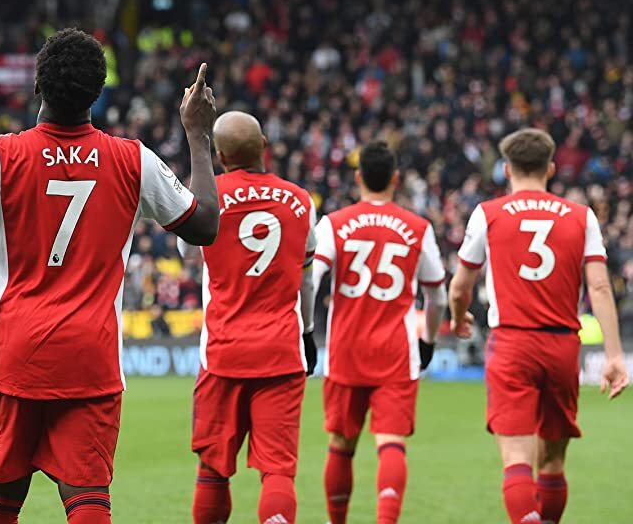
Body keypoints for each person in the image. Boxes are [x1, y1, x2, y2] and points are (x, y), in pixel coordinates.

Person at [0, 27, 220, 523]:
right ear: (99, 93)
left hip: (16, 358)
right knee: (89, 504)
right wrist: (199, 135)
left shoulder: (0, 156)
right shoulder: (132, 160)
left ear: (37, 86)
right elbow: (205, 225)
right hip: (91, 361)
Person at [448, 128, 629, 524]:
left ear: (507, 170)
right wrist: (614, 355)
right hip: (563, 346)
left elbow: (461, 284)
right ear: (550, 168)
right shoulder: (582, 217)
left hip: (512, 342)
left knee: (516, 461)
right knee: (552, 462)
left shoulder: (488, 213)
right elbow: (599, 285)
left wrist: (458, 314)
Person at [183, 111, 318, 524]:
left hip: (223, 351)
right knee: (277, 469)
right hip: (281, 350)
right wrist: (308, 332)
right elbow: (306, 281)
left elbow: (190, 254)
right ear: (265, 147)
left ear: (220, 156)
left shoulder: (208, 200)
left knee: (213, 469)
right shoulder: (301, 200)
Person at [310, 141, 447, 524]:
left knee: (341, 444)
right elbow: (436, 296)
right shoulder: (418, 228)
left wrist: (305, 329)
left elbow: (310, 279)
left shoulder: (333, 224)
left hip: (345, 350)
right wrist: (429, 340)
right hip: (396, 353)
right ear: (396, 179)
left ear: (358, 178)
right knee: (391, 443)